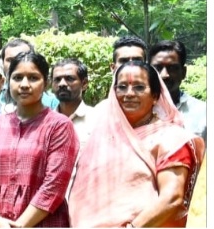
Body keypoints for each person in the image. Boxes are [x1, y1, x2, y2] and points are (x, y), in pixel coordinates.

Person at [69, 60, 205, 227]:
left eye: (139, 87)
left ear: (155, 96)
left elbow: (172, 198)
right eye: (122, 87)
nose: (129, 94)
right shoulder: (102, 137)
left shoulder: (171, 138)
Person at [0, 52, 79, 228]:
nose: (24, 85)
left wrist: (20, 225)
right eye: (17, 77)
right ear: (8, 81)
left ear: (46, 83)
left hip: (44, 222)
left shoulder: (59, 126)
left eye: (33, 78)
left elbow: (54, 186)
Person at [150, 39, 207, 141]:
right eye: (158, 68)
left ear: (183, 72)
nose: (164, 75)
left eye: (172, 68)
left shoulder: (203, 112)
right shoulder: (138, 111)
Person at [50, 58, 93, 148]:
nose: (62, 84)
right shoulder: (44, 122)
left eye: (69, 78)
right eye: (57, 79)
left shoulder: (97, 119)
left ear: (84, 84)